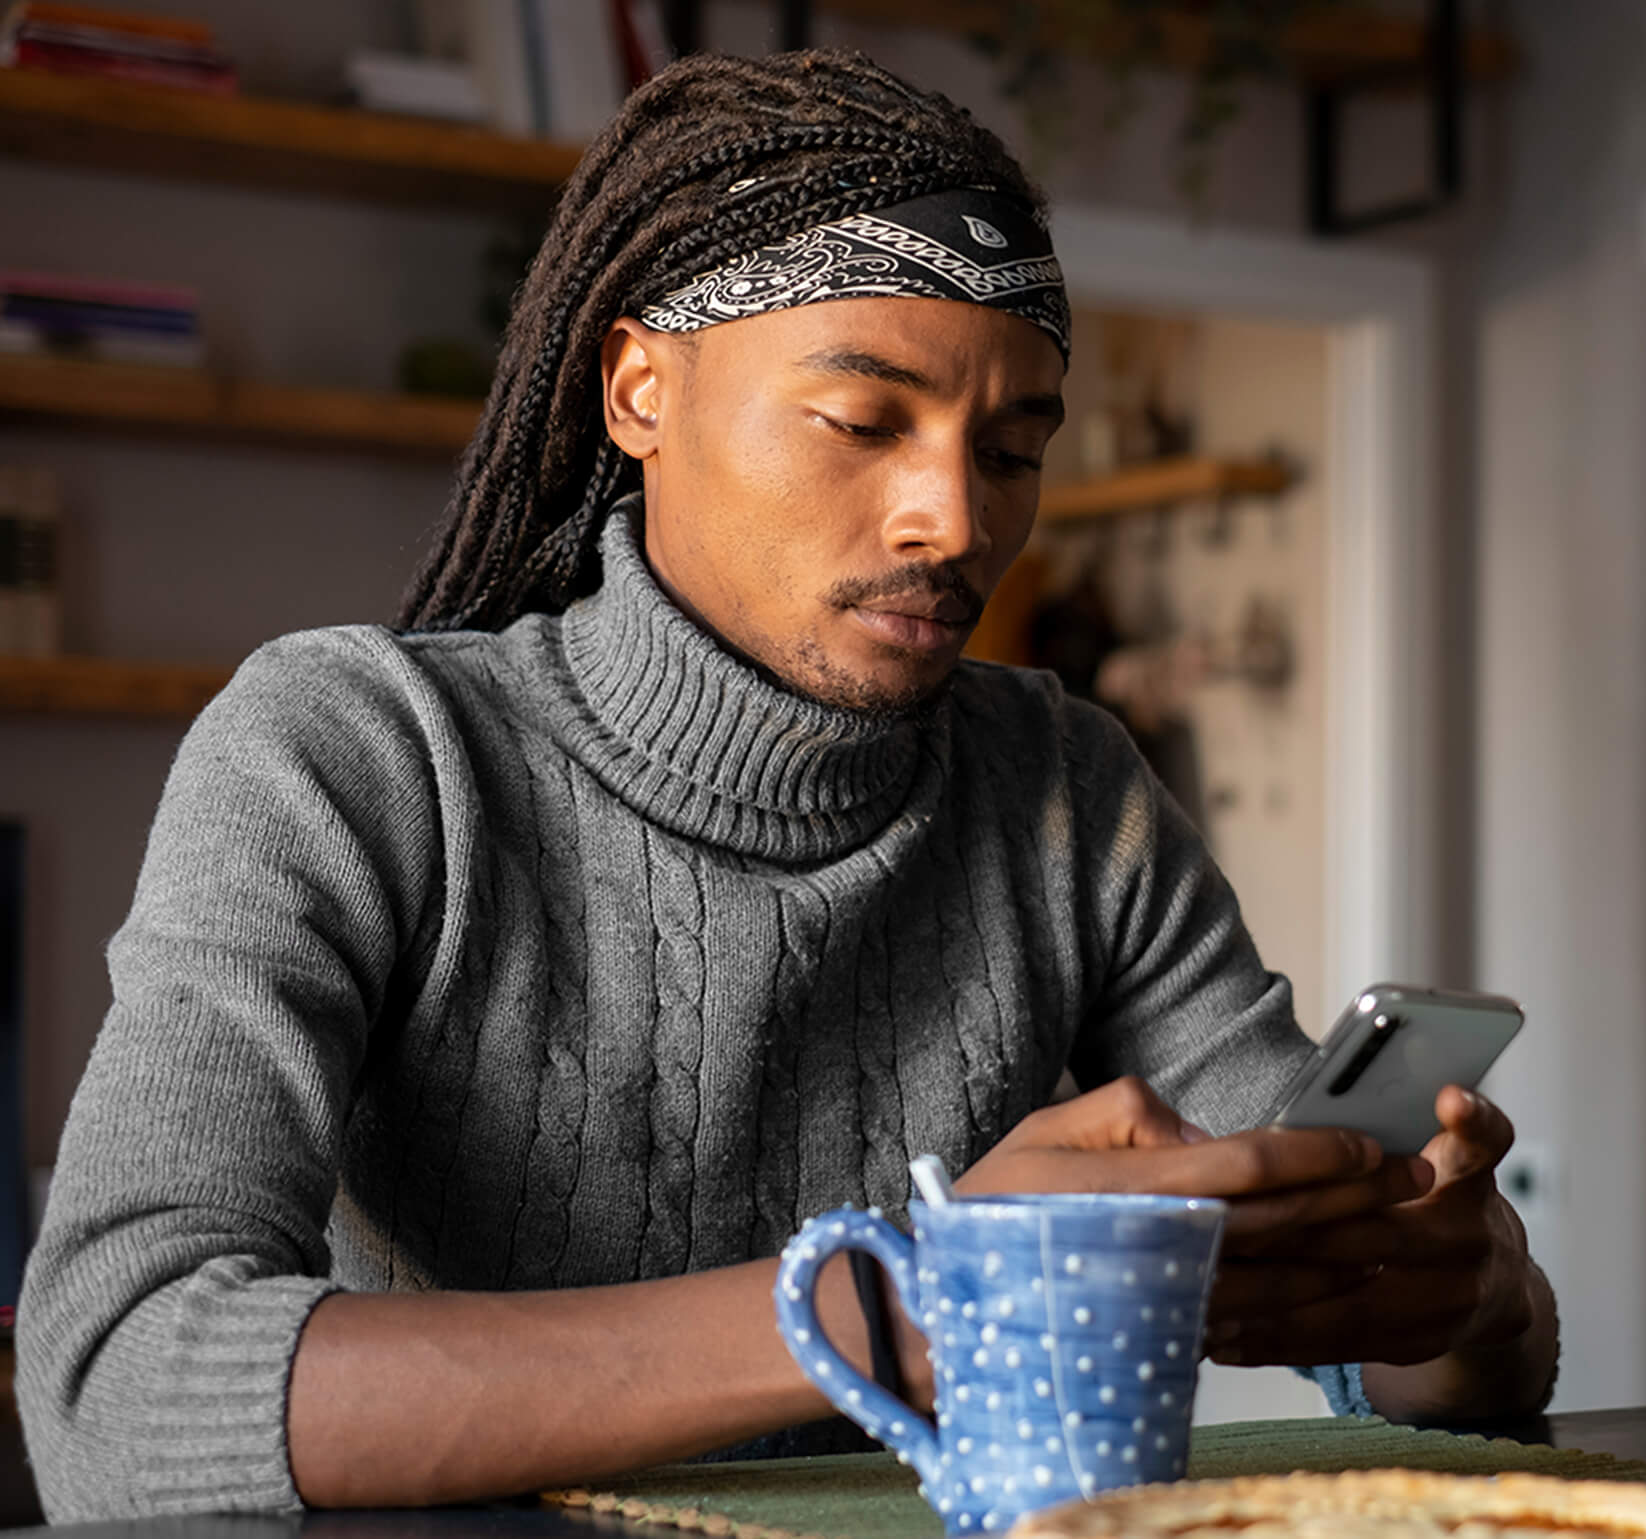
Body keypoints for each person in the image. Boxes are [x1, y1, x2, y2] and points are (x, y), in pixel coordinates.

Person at [18, 49, 1559, 1521]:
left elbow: (1423, 1365)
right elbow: (117, 1392)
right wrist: (897, 1301)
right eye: (862, 420)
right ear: (639, 391)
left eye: (1012, 447)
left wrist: (1456, 1293)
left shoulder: (1064, 789)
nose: (950, 520)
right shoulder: (356, 751)